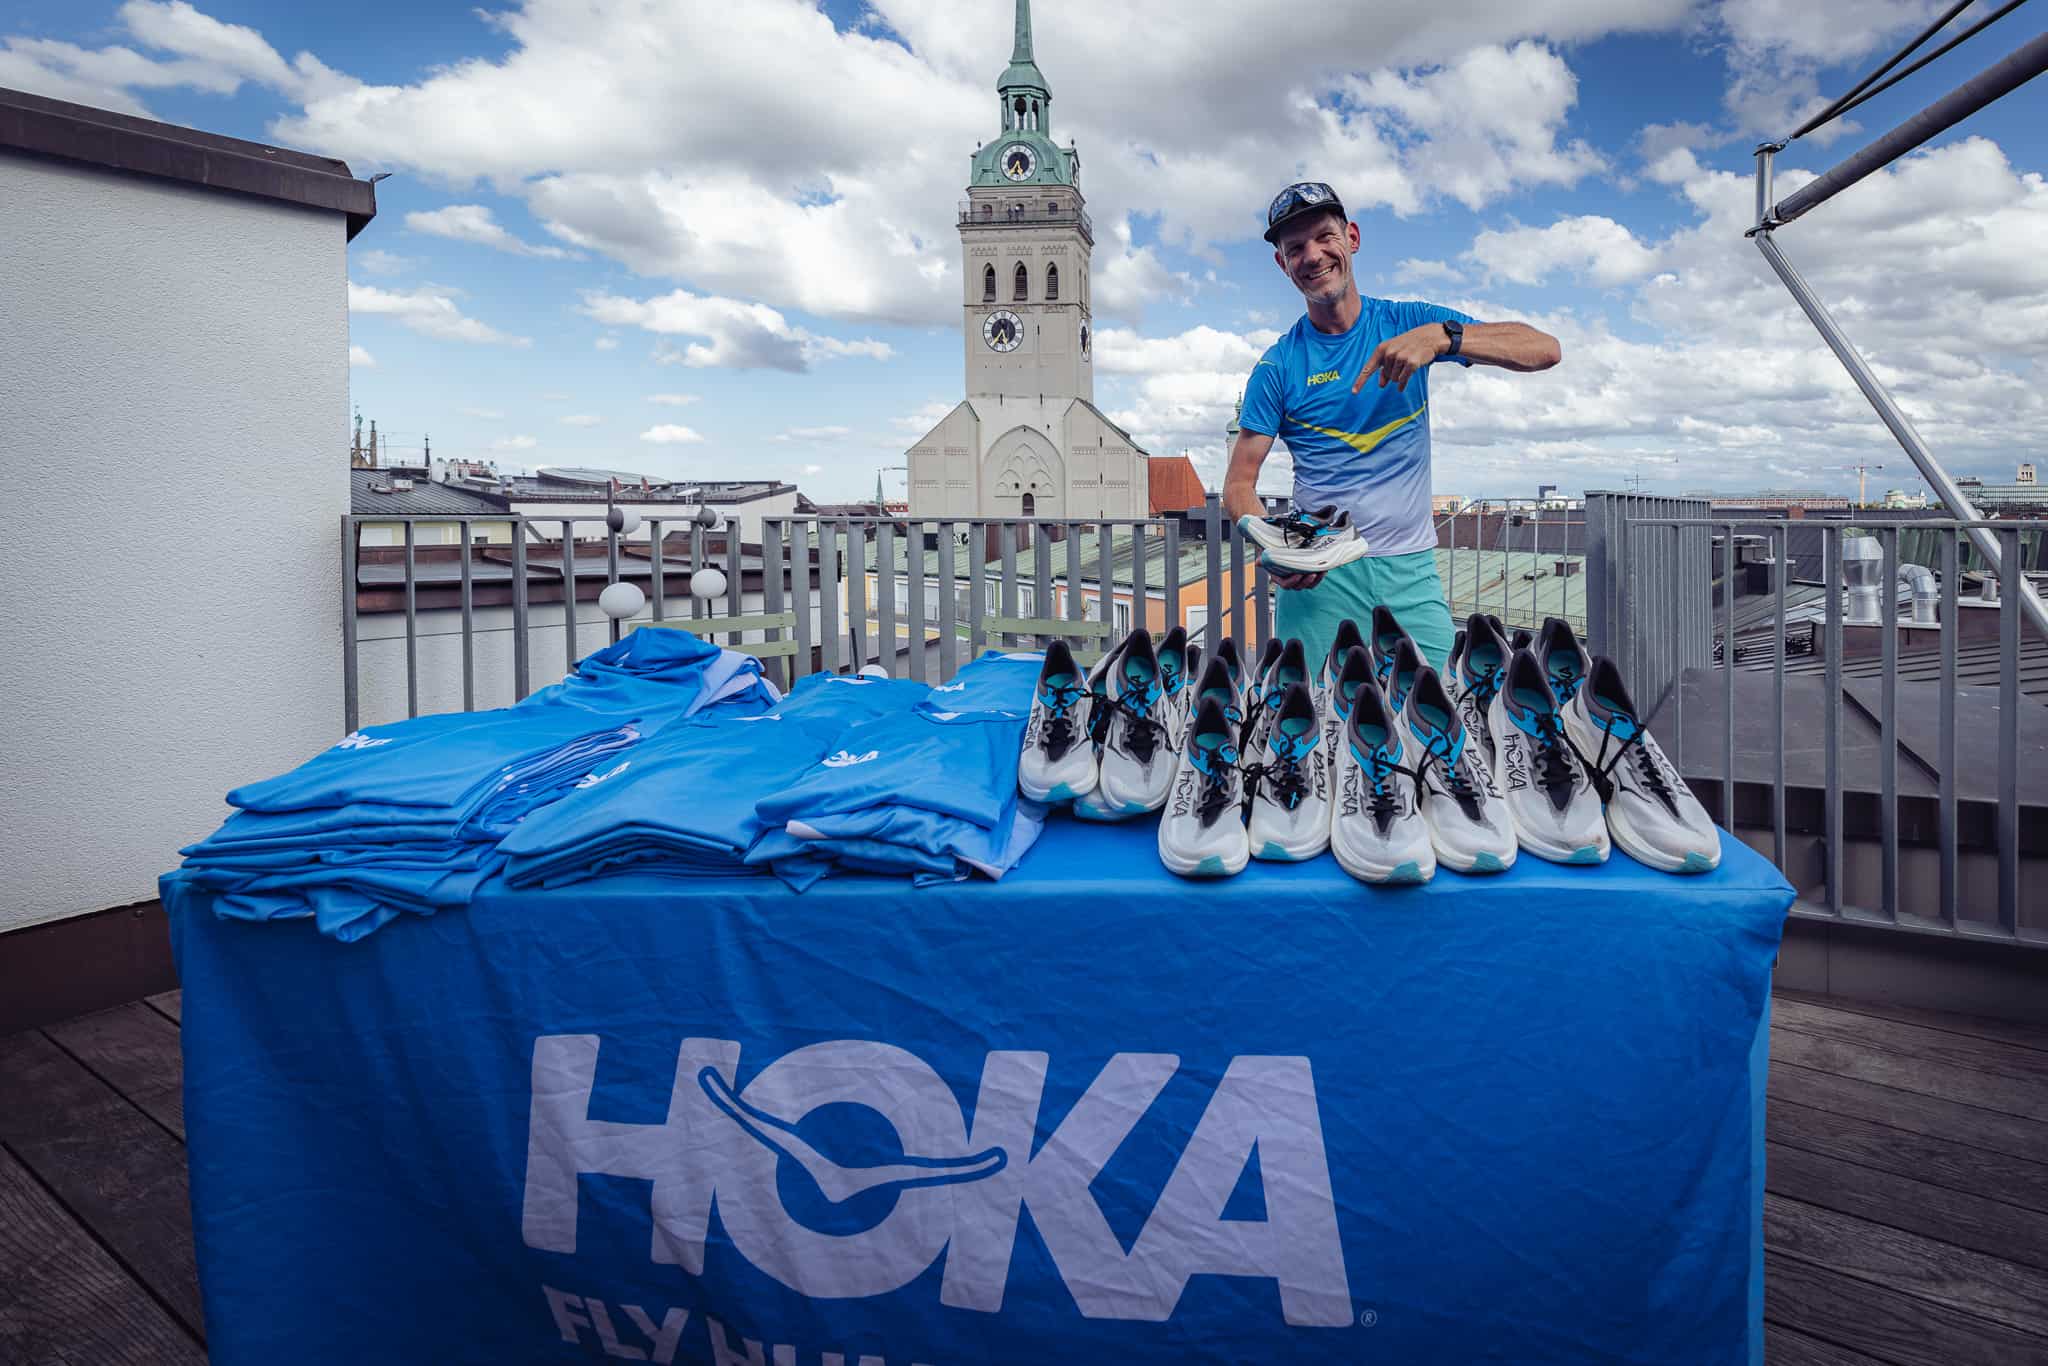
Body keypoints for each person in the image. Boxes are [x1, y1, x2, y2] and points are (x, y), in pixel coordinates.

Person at [1227, 181, 1561, 670]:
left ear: (1353, 238)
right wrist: (1274, 547)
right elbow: (1238, 483)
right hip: (1321, 584)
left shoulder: (1413, 322)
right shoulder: (1277, 366)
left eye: (1324, 237)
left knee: (1441, 724)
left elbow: (1544, 350)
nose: (1312, 255)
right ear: (1282, 264)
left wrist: (1443, 338)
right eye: (1294, 248)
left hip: (1411, 572)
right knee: (1311, 731)